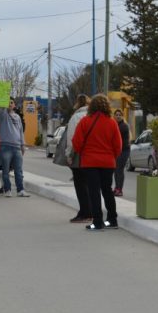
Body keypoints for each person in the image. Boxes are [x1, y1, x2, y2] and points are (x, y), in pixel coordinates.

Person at [72, 93, 121, 231]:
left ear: (91, 106)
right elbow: (118, 145)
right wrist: (112, 157)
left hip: (90, 162)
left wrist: (83, 153)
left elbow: (76, 143)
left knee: (94, 192)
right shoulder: (112, 122)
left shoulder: (85, 121)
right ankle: (112, 220)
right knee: (107, 190)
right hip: (108, 162)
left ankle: (98, 222)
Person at [64, 95, 92, 223]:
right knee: (90, 184)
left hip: (79, 154)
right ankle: (89, 212)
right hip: (93, 154)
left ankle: (85, 212)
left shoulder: (76, 117)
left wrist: (69, 155)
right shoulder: (94, 116)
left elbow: (72, 138)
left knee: (80, 185)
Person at [0, 99, 30, 197]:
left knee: (18, 170)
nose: (9, 104)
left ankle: (20, 190)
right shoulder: (2, 115)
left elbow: (21, 132)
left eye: (11, 102)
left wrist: (22, 145)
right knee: (6, 170)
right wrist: (3, 103)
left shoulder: (17, 117)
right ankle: (7, 190)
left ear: (14, 105)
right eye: (7, 102)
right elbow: (2, 110)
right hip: (6, 146)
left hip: (17, 147)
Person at [113, 109, 130, 197]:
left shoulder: (123, 126)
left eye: (120, 115)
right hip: (117, 151)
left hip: (123, 151)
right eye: (116, 115)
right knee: (116, 170)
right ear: (114, 116)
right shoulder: (116, 125)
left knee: (119, 170)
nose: (118, 116)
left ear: (122, 116)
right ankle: (116, 188)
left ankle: (119, 190)